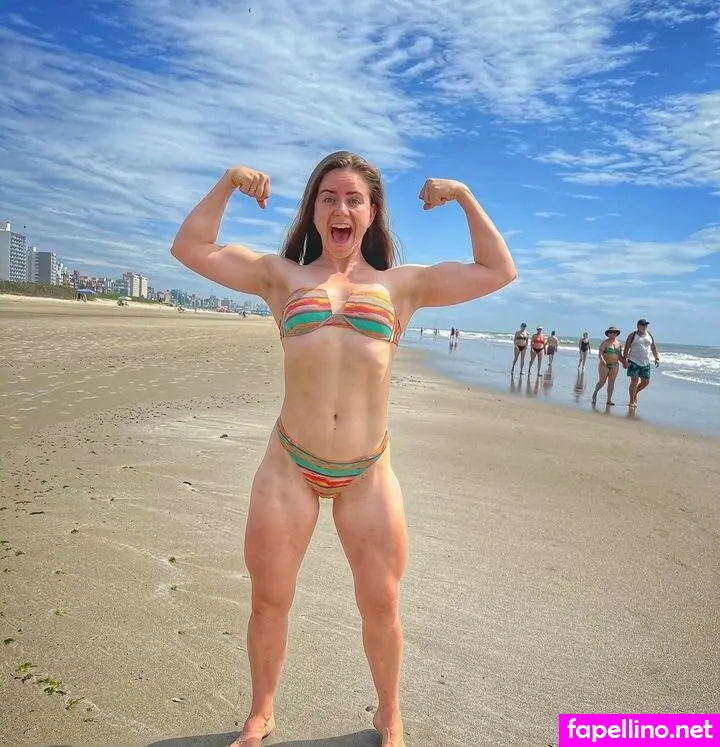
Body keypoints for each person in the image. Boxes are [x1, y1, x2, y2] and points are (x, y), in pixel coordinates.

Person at [169, 151, 518, 747]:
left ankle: (389, 714)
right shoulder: (281, 277)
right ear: (313, 211)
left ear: (372, 213)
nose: (341, 208)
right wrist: (228, 182)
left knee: (381, 604)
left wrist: (462, 195)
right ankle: (261, 712)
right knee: (269, 600)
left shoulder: (403, 286)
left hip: (368, 471)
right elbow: (191, 247)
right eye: (328, 197)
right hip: (289, 466)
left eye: (354, 199)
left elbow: (498, 269)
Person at [623, 318, 660, 409]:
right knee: (634, 381)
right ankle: (632, 401)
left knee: (645, 382)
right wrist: (625, 360)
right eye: (643, 325)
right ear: (638, 326)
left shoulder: (649, 335)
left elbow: (653, 347)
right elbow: (626, 348)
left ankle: (635, 392)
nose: (645, 326)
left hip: (645, 362)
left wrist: (656, 357)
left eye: (646, 325)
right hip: (633, 361)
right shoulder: (633, 335)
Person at [591, 326, 622, 406]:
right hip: (604, 365)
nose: (612, 334)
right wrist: (602, 360)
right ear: (608, 334)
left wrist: (625, 363)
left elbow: (620, 356)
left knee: (611, 382)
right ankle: (595, 392)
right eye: (610, 332)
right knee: (602, 381)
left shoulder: (619, 344)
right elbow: (600, 353)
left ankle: (609, 400)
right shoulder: (605, 343)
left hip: (615, 365)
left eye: (614, 332)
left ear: (616, 334)